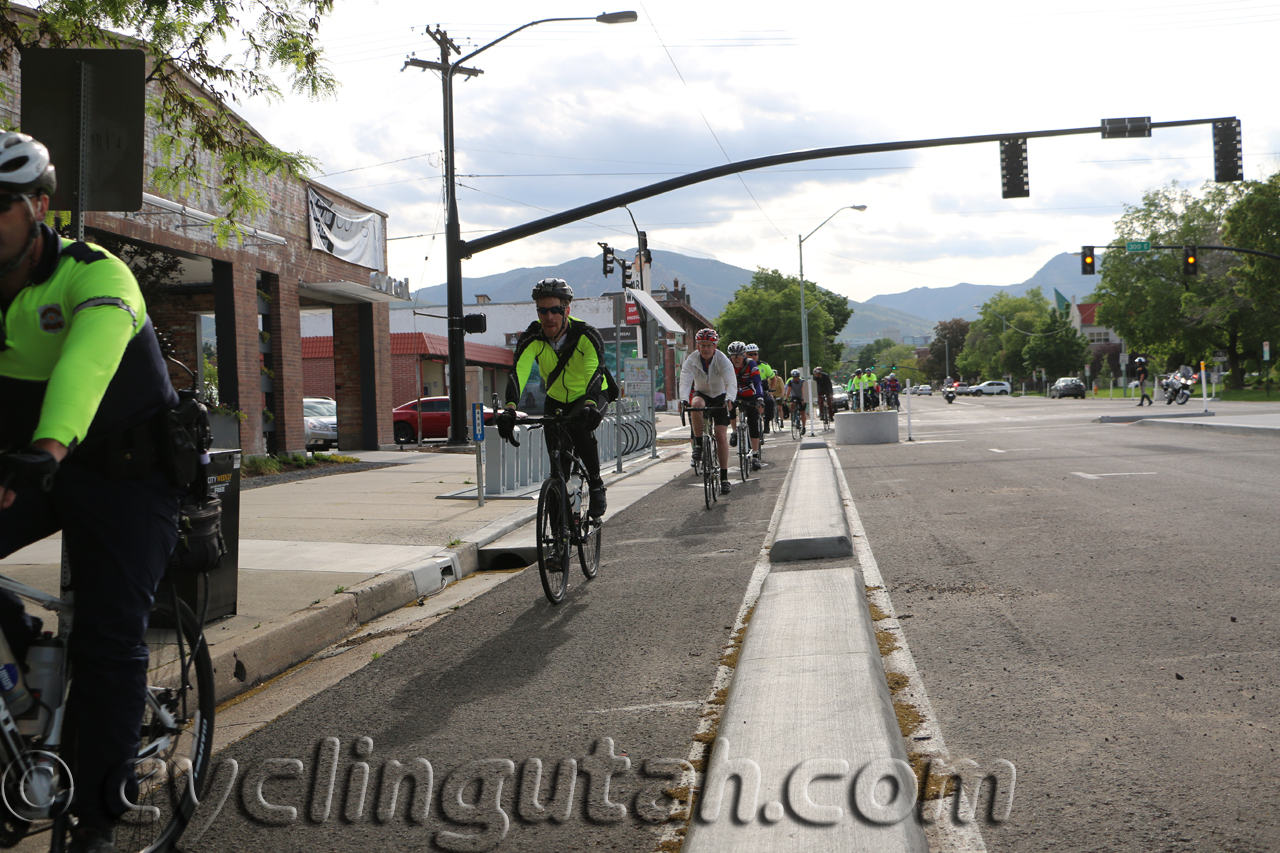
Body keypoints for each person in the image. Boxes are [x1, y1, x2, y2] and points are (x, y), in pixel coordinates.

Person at [0, 132, 187, 853]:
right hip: (34, 466)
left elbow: (85, 364)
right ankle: (25, 664)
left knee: (111, 637)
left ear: (40, 207)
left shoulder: (94, 275)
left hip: (129, 474)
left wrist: (48, 446)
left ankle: (99, 819)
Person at [498, 278, 609, 517]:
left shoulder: (586, 334)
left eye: (555, 310)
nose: (549, 317)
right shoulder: (532, 337)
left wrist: (590, 403)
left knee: (580, 426)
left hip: (591, 393)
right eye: (543, 310)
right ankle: (560, 532)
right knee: (557, 460)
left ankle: (597, 483)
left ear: (566, 310)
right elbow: (519, 371)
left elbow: (594, 371)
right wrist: (509, 408)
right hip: (557, 397)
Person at [678, 328, 736, 495]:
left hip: (720, 396)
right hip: (702, 393)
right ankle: (697, 444)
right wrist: (683, 399)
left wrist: (730, 398)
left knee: (720, 434)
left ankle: (724, 478)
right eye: (702, 345)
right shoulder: (691, 360)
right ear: (698, 346)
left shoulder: (722, 360)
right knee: (695, 404)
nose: (705, 349)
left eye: (709, 345)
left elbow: (731, 382)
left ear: (714, 346)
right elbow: (685, 382)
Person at [726, 341, 764, 470]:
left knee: (753, 421)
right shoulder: (727, 364)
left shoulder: (751, 364)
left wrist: (759, 397)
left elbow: (757, 382)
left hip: (750, 393)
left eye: (738, 355)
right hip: (734, 393)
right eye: (733, 355)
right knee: (729, 407)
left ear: (744, 355)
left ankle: (755, 455)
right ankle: (735, 432)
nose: (736, 358)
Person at [747, 344, 777, 434]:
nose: (753, 356)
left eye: (755, 354)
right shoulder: (744, 365)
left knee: (770, 402)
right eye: (750, 354)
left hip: (763, 390)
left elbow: (773, 378)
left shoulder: (764, 366)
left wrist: (771, 391)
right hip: (749, 391)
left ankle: (767, 422)